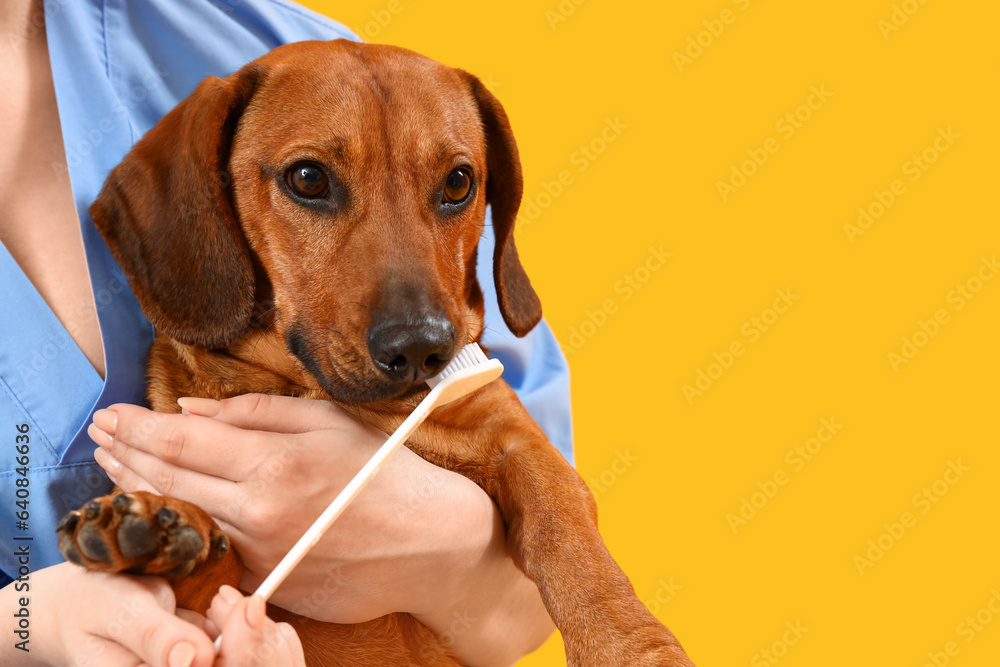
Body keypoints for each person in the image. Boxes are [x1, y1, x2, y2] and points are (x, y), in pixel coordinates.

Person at [0, 0, 575, 665]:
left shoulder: (313, 65)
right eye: (308, 180)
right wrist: (31, 624)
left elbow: (537, 590)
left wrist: (434, 535)